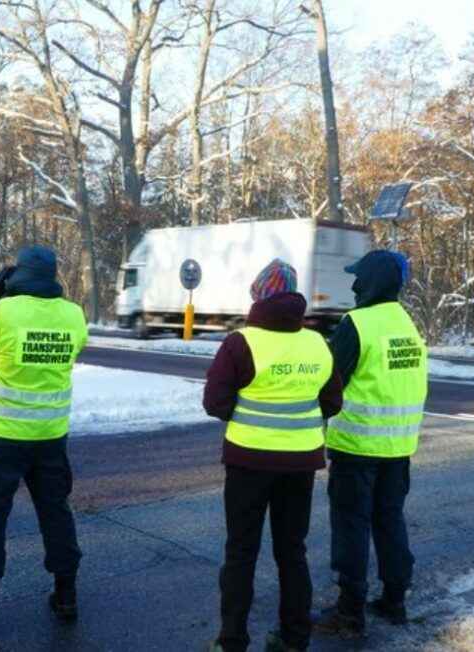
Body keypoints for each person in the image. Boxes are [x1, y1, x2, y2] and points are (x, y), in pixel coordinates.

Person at [0, 245, 89, 644]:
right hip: (50, 439)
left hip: (1, 440)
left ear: (17, 275)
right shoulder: (74, 315)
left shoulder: (3, 313)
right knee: (56, 514)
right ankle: (66, 595)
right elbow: (74, 349)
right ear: (53, 275)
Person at [202, 259, 345, 652]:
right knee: (292, 552)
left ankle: (231, 641)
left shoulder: (240, 342)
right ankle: (295, 638)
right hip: (300, 464)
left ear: (260, 295)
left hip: (248, 463)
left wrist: (245, 415)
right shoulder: (317, 343)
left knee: (241, 553)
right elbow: (332, 402)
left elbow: (215, 402)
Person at [314, 249, 428, 638]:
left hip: (357, 447)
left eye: (359, 277)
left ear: (373, 282)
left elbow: (330, 382)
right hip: (398, 449)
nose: (354, 284)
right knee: (390, 521)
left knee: (351, 526)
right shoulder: (407, 324)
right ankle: (394, 600)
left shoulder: (358, 323)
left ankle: (349, 612)